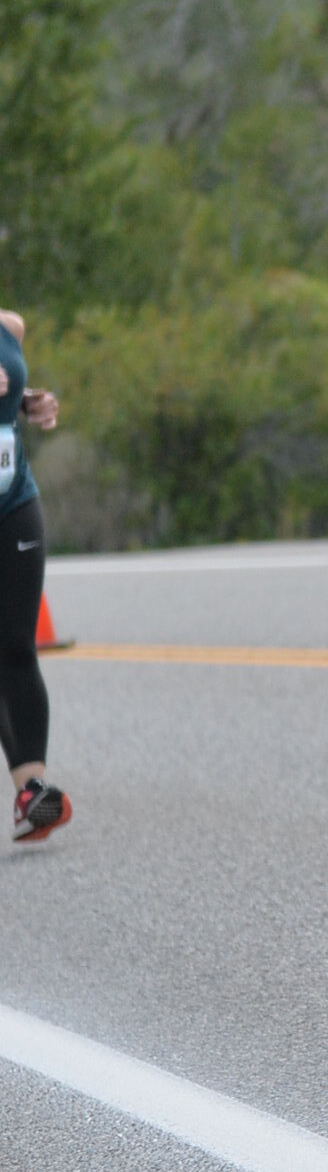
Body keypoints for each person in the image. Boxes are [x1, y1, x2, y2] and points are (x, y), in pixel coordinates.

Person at [0, 310, 69, 843]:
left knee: (16, 647)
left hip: (13, 502)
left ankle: (33, 795)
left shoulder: (9, 327)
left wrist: (25, 399)